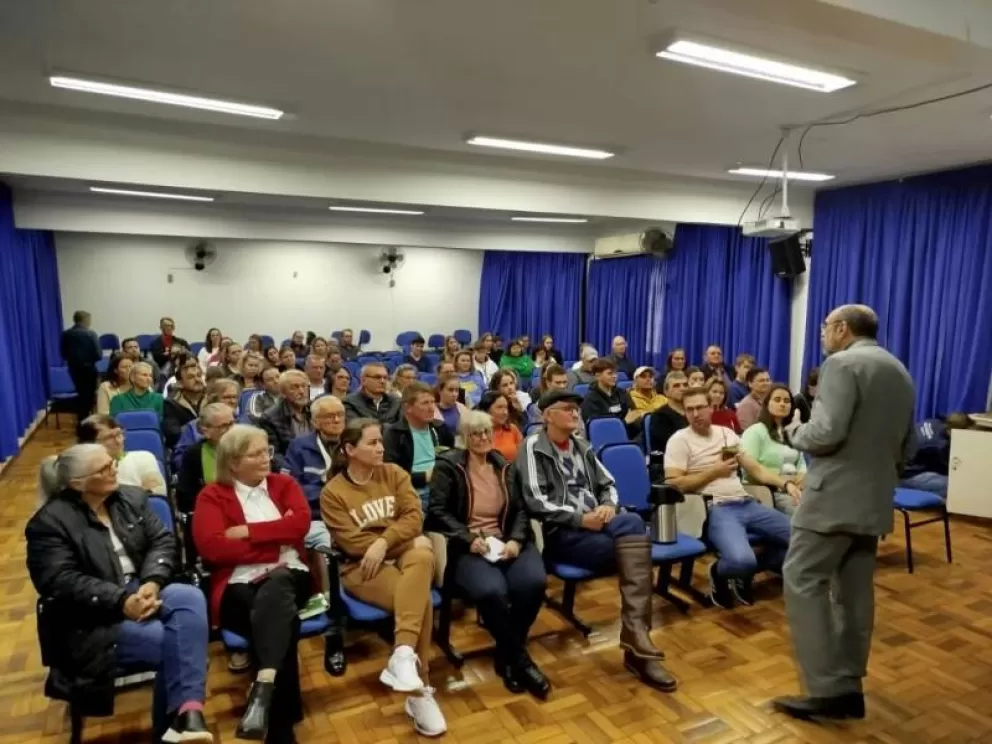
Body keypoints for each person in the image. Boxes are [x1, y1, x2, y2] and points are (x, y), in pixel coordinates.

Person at [774, 305, 915, 722]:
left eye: (825, 327)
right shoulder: (898, 370)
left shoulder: (840, 364)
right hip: (874, 498)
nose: (822, 335)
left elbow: (826, 433)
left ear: (841, 328)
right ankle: (850, 683)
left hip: (832, 498)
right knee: (854, 591)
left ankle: (826, 689)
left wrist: (792, 431)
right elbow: (908, 445)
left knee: (802, 579)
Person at [29, 444, 213, 741]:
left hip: (143, 589)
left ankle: (187, 718)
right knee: (179, 646)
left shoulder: (131, 498)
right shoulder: (49, 523)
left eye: (112, 462)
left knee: (189, 596)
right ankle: (177, 726)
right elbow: (60, 580)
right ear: (78, 483)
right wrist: (121, 600)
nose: (114, 469)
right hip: (91, 618)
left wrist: (152, 582)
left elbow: (162, 541)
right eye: (104, 468)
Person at [518, 389, 676, 692]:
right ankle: (638, 643)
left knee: (632, 522)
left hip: (600, 523)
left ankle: (636, 636)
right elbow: (536, 501)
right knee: (637, 550)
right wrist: (580, 519)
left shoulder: (582, 445)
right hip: (565, 532)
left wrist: (608, 505)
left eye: (576, 409)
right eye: (567, 408)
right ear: (548, 415)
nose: (575, 413)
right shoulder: (532, 447)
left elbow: (609, 484)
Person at [321, 420, 447, 736]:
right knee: (418, 594)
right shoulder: (333, 493)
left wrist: (383, 543)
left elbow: (414, 518)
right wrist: (400, 543)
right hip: (360, 568)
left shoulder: (394, 473)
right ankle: (420, 689)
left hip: (395, 555)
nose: (381, 448)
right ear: (350, 449)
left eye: (381, 441)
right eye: (373, 443)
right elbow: (352, 544)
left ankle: (403, 657)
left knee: (423, 557)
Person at [192, 425, 314, 741]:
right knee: (280, 620)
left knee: (279, 586)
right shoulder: (212, 496)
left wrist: (248, 532)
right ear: (233, 463)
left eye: (266, 451)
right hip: (238, 584)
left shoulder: (284, 484)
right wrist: (276, 545)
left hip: (291, 575)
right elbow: (212, 548)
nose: (266, 458)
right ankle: (271, 694)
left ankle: (267, 702)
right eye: (255, 454)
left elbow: (300, 524)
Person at [427, 411, 549, 698]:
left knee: (534, 583)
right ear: (464, 438)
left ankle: (506, 655)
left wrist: (516, 541)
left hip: (507, 540)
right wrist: (469, 538)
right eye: (475, 434)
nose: (482, 438)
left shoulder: (504, 466)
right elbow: (437, 512)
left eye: (486, 432)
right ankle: (520, 660)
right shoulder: (449, 466)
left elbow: (521, 510)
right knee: (492, 591)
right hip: (469, 546)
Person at [664, 387, 796, 609]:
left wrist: (785, 483)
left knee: (802, 542)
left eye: (700, 407)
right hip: (716, 507)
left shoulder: (726, 434)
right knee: (741, 560)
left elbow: (755, 469)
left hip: (746, 502)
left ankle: (744, 573)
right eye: (689, 409)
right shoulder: (679, 440)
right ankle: (720, 572)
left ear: (711, 408)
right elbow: (673, 483)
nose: (695, 414)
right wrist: (714, 472)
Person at [283, 395, 345, 550]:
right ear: (315, 422)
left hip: (350, 512)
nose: (337, 420)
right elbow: (291, 488)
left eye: (340, 415)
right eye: (330, 416)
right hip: (316, 516)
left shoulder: (355, 443)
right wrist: (326, 491)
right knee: (326, 542)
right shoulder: (299, 446)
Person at [383, 382, 454, 508]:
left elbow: (454, 460)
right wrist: (425, 477)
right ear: (407, 407)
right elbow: (391, 476)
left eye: (433, 402)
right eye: (425, 403)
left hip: (442, 489)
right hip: (412, 492)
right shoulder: (395, 434)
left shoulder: (440, 428)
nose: (431, 408)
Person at [740, 384, 806, 515]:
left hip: (795, 488)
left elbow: (801, 464)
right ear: (767, 404)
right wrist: (785, 483)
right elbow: (751, 470)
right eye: (777, 400)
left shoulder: (791, 432)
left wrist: (802, 478)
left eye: (786, 401)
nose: (782, 404)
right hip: (768, 491)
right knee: (805, 513)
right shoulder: (755, 432)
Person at [77, 414, 167, 495]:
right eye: (109, 437)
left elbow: (157, 495)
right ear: (90, 444)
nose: (119, 441)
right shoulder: (80, 470)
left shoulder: (144, 458)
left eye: (119, 434)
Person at [175, 403, 235, 513]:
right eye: (223, 426)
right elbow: (185, 498)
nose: (231, 430)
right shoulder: (193, 454)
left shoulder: (247, 448)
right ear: (206, 431)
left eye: (232, 423)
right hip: (209, 510)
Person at [172, 378, 241, 472]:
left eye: (235, 397)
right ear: (214, 399)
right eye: (227, 397)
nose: (232, 401)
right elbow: (180, 460)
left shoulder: (244, 424)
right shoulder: (194, 427)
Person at [898, 413, 973, 498]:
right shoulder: (940, 446)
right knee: (954, 485)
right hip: (906, 476)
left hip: (898, 466)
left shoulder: (934, 422)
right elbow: (952, 470)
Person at [259, 370, 313, 464]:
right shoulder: (270, 418)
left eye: (304, 386)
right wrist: (292, 468)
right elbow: (274, 454)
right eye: (295, 387)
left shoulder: (315, 410)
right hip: (292, 465)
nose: (301, 391)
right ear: (283, 393)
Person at [61, 310, 102, 421]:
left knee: (80, 394)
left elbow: (63, 353)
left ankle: (81, 419)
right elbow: (98, 354)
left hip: (73, 369)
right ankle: (87, 419)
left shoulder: (66, 334)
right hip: (89, 369)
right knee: (89, 396)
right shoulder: (91, 334)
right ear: (85, 320)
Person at [580, 358, 640, 429]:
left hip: (629, 431)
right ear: (598, 376)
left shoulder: (622, 393)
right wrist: (624, 422)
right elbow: (598, 428)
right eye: (610, 373)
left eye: (615, 373)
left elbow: (634, 414)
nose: (615, 376)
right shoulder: (590, 399)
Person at [164, 360, 205, 448]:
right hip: (186, 448)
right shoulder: (171, 404)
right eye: (191, 377)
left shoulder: (212, 397)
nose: (197, 379)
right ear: (180, 383)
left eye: (199, 375)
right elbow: (174, 435)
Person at [477, 392, 523, 461]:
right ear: (486, 410)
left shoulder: (512, 429)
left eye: (506, 408)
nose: (505, 412)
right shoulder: (476, 433)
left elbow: (523, 458)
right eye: (499, 407)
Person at [650, 372, 688, 453]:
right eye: (676, 386)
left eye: (685, 385)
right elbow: (672, 445)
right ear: (666, 391)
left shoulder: (693, 412)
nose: (683, 388)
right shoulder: (659, 416)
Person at [736, 367, 772, 431]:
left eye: (768, 380)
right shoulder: (746, 405)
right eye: (761, 381)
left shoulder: (771, 400)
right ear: (750, 384)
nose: (766, 383)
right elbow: (747, 431)